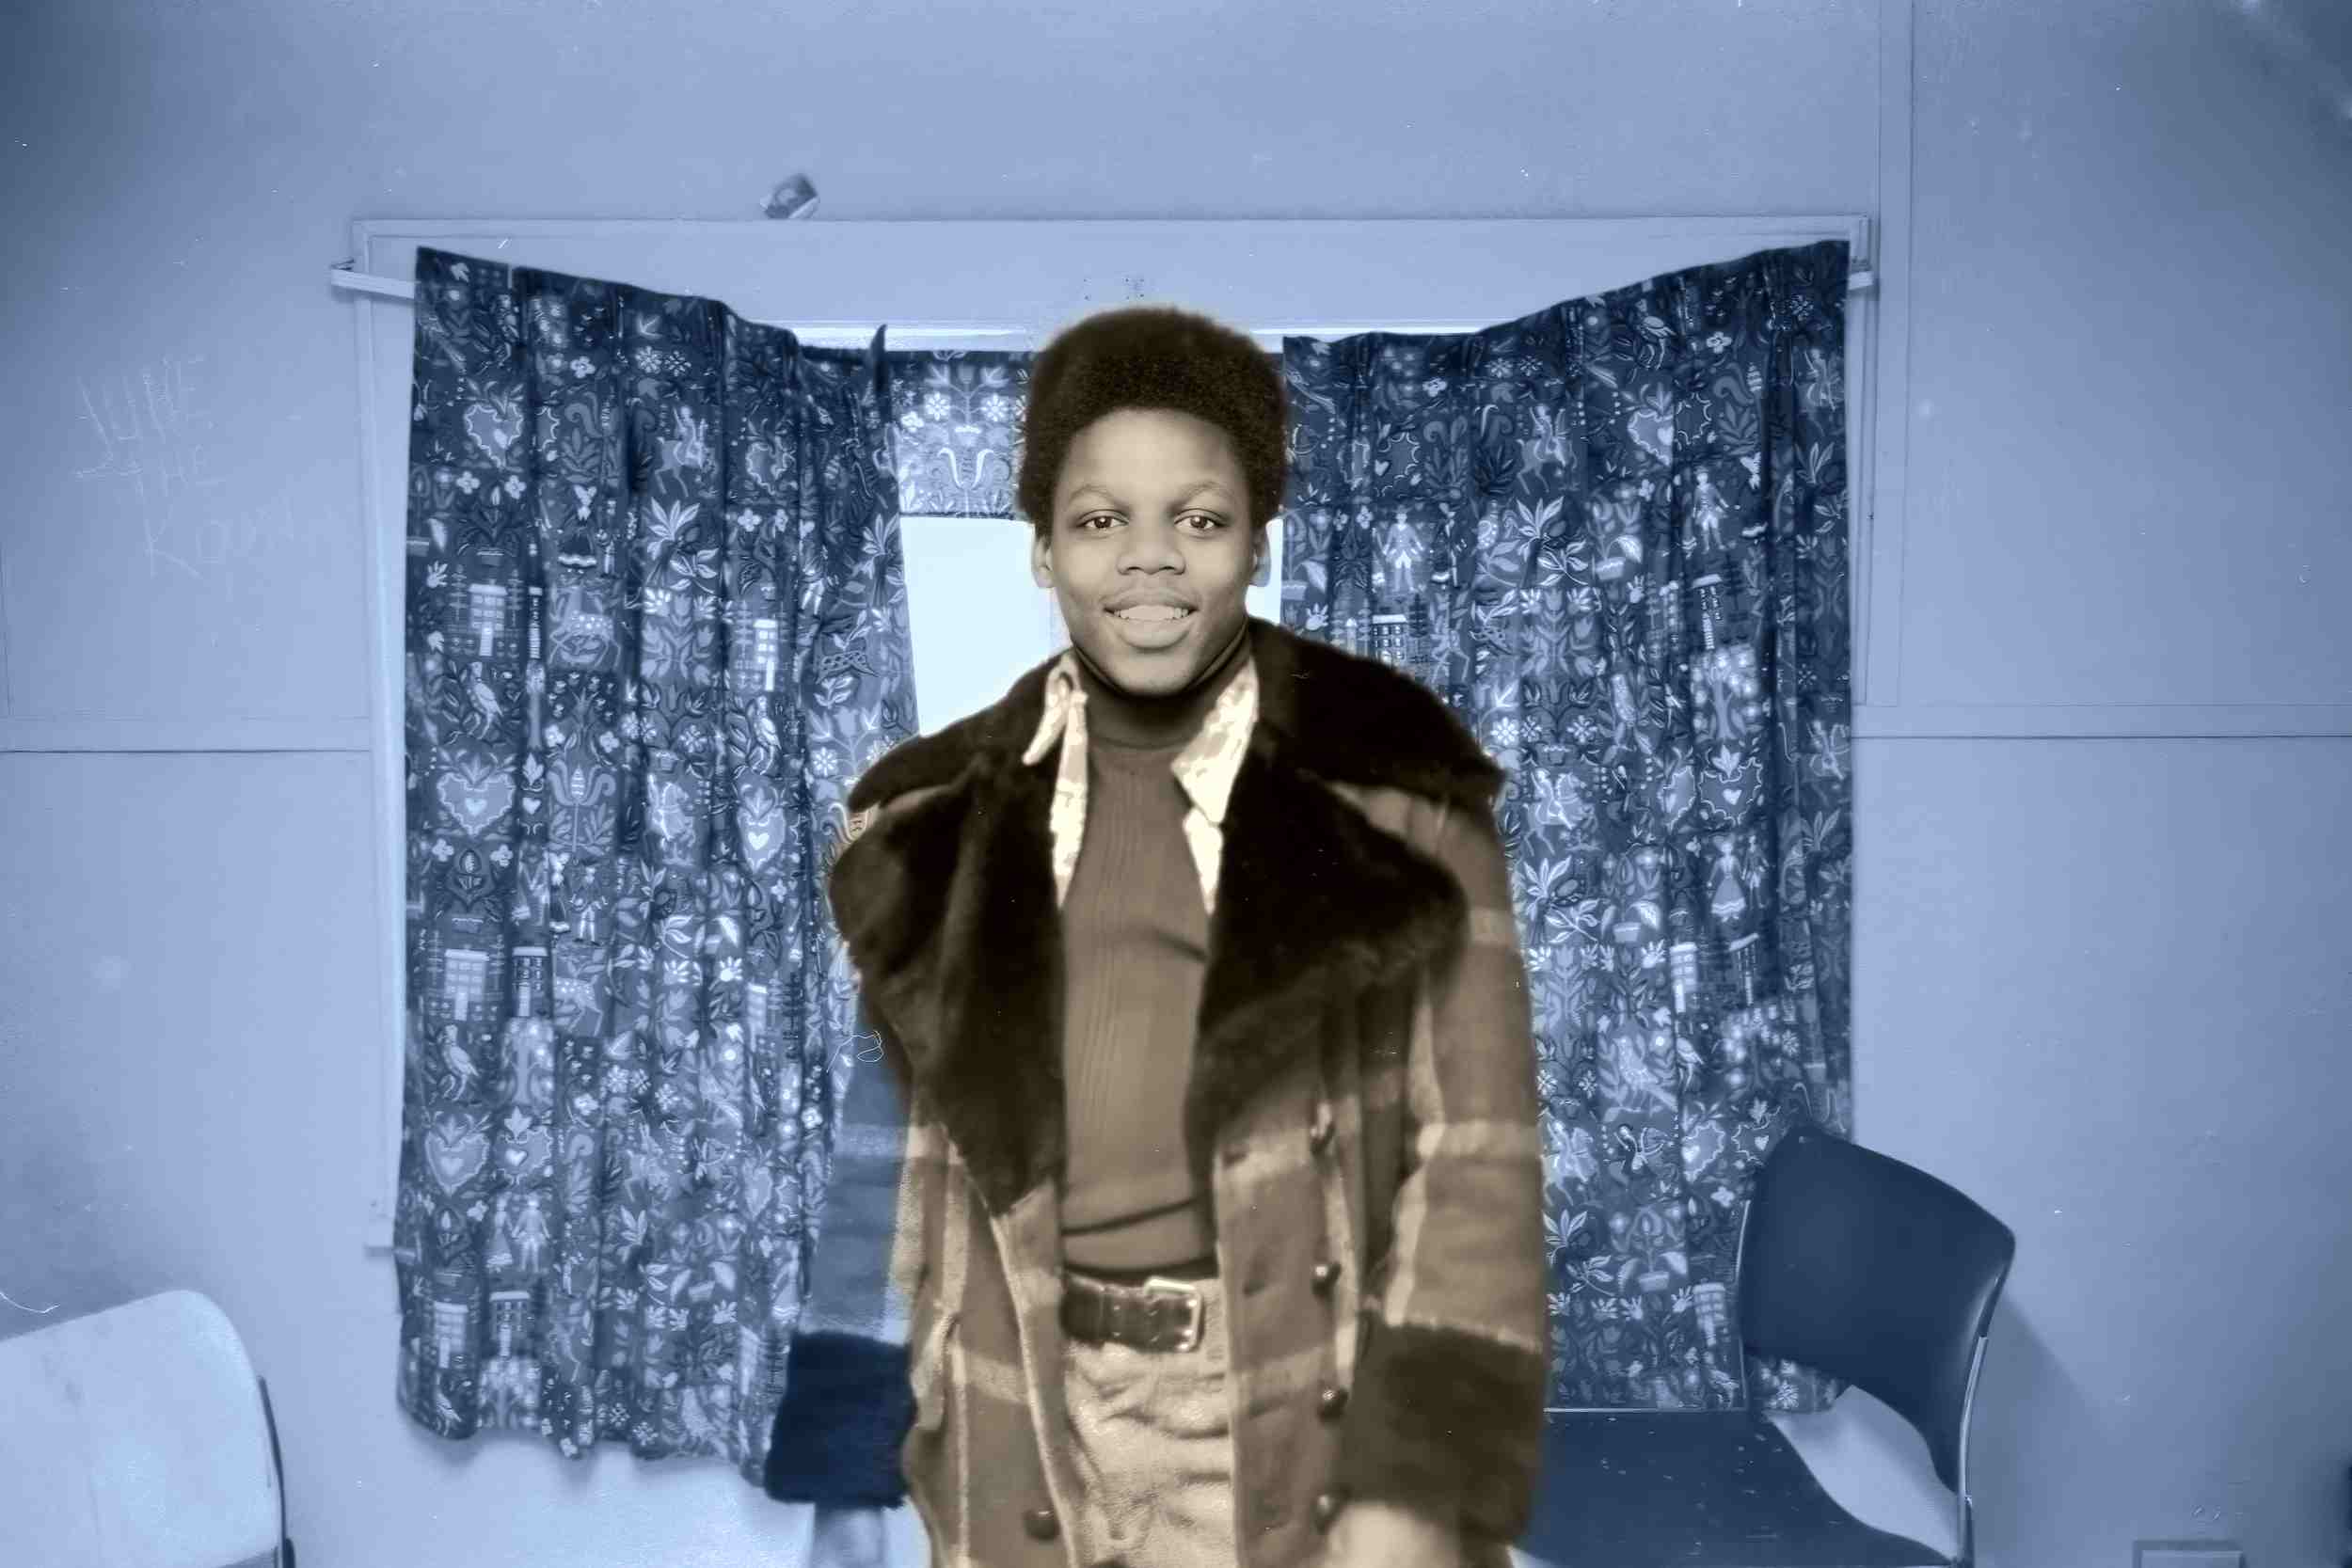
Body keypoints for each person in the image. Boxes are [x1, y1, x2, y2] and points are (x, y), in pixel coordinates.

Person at [763, 304, 1548, 1567]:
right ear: (1042, 550)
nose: (1149, 561)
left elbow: (1478, 1159)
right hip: (1018, 1412)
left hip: (1290, 1409)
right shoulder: (929, 819)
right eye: (1099, 521)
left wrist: (1411, 1487)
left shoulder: (1399, 793)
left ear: (1257, 542)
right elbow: (887, 1160)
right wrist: (847, 1473)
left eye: (1199, 519)